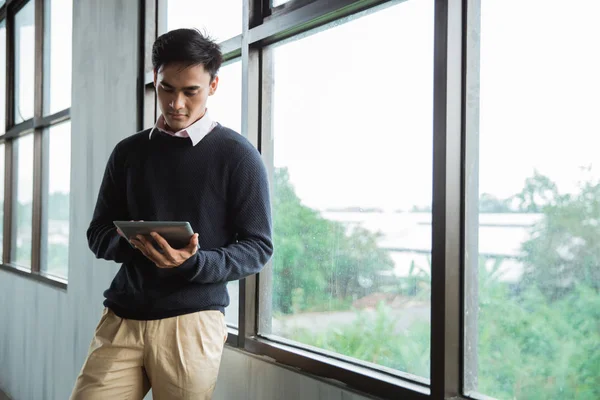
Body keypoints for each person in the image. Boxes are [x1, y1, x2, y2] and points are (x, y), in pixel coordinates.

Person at [70, 28, 273, 400]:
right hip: (122, 318)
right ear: (155, 80)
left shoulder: (238, 156)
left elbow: (258, 247)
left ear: (212, 86)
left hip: (191, 324)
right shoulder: (128, 152)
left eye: (190, 91)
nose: (176, 103)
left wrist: (192, 263)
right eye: (167, 88)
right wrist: (138, 245)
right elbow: (97, 232)